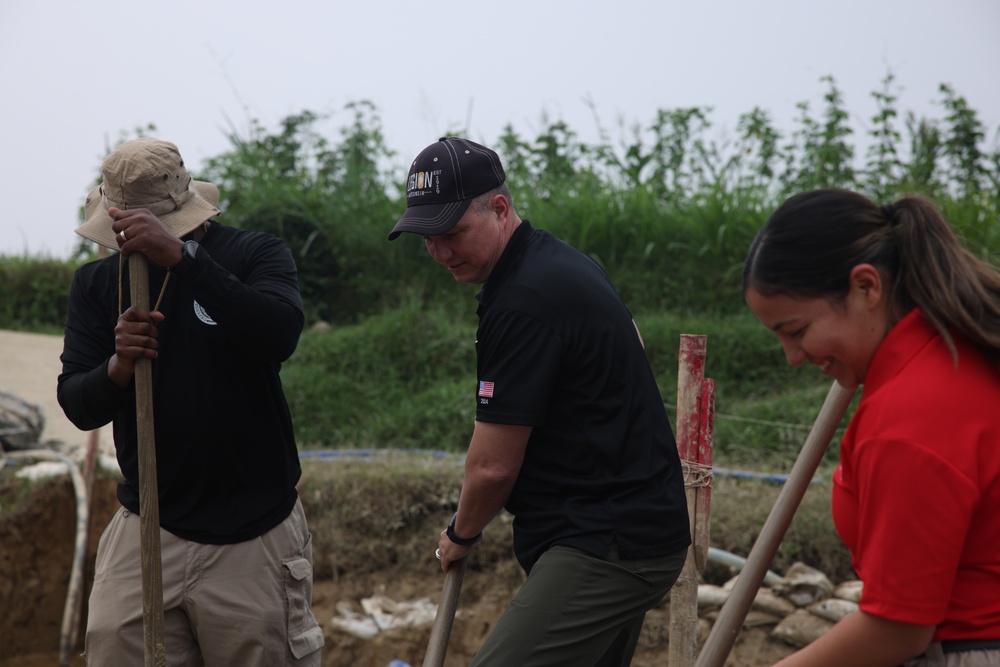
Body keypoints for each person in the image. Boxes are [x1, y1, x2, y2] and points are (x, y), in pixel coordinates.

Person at [388, 137, 691, 666]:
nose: (440, 252)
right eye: (427, 239)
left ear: (499, 208)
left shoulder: (526, 299)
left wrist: (461, 533)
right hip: (619, 528)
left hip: (606, 541)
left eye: (452, 233)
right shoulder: (552, 262)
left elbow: (493, 468)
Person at [58, 137, 324, 665]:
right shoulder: (96, 285)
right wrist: (118, 367)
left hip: (253, 534)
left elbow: (279, 334)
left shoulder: (253, 254)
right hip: (149, 524)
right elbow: (77, 402)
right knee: (113, 643)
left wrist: (183, 260)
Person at [743, 189, 1000, 667]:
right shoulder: (955, 356)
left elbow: (897, 628)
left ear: (866, 287)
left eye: (797, 332)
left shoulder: (910, 417)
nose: (793, 358)